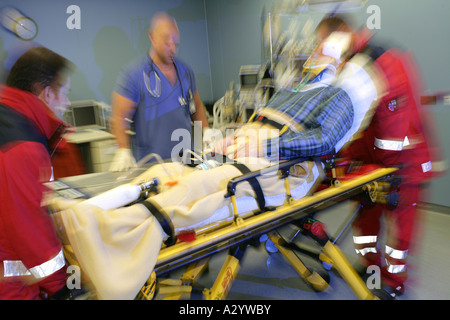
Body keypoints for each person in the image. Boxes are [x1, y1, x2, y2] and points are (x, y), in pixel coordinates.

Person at [51, 27, 385, 299]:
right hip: (243, 151)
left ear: (339, 63)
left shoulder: (338, 97)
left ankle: (105, 234)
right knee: (165, 172)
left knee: (195, 188)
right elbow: (260, 120)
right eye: (317, 50)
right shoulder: (291, 90)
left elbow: (324, 140)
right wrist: (234, 135)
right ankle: (95, 211)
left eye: (324, 52)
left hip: (278, 165)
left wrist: (269, 144)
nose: (315, 55)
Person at [314, 16, 442, 299]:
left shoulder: (384, 60)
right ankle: (370, 266)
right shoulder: (353, 64)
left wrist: (364, 168)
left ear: (340, 36)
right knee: (366, 217)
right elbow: (359, 124)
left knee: (401, 229)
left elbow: (391, 133)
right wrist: (349, 160)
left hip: (404, 162)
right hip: (377, 159)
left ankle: (395, 281)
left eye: (323, 43)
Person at [0, 46, 75, 299]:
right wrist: (61, 286)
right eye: (63, 94)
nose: (66, 102)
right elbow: (30, 226)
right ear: (47, 94)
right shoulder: (23, 146)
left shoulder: (8, 119)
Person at [109, 12, 209, 171]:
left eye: (176, 44)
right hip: (152, 164)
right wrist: (123, 150)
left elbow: (196, 107)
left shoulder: (185, 71)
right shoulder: (134, 74)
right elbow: (119, 116)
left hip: (187, 160)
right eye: (166, 42)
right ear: (152, 37)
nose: (172, 48)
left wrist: (206, 135)